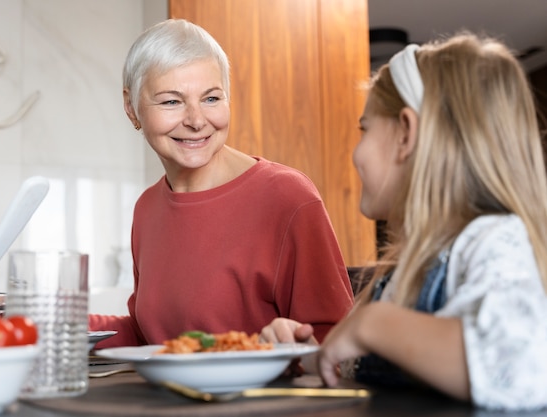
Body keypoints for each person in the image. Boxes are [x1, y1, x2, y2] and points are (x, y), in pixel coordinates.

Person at [260, 32, 547, 411]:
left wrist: (374, 324)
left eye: (365, 129)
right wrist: (304, 355)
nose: (356, 153)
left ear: (406, 134)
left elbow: (521, 368)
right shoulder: (398, 276)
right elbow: (355, 374)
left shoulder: (495, 240)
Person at [88, 19, 354, 348]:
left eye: (212, 99)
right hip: (169, 399)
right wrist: (51, 322)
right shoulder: (147, 208)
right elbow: (149, 337)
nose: (197, 120)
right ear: (131, 108)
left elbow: (337, 345)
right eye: (171, 101)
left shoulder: (288, 197)